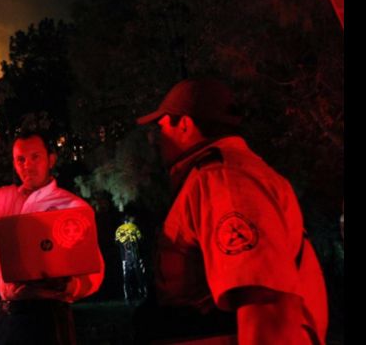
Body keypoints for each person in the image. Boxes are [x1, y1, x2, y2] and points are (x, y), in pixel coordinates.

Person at [134, 78, 328, 344]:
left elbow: (263, 300)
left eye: (162, 126)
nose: (157, 139)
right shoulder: (227, 173)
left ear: (185, 124)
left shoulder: (223, 181)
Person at [0, 114, 104, 345]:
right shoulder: (6, 199)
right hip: (9, 315)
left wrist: (72, 286)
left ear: (51, 159)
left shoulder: (71, 207)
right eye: (20, 159)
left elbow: (94, 268)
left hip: (51, 315)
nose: (27, 165)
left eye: (35, 157)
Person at [114, 216, 147, 303]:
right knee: (140, 274)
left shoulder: (118, 229)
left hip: (124, 256)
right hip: (136, 255)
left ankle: (128, 296)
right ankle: (143, 293)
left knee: (126, 276)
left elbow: (116, 242)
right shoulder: (134, 227)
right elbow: (140, 239)